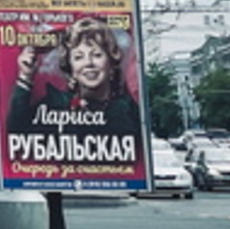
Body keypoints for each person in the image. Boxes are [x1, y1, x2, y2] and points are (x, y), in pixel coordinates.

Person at [10, 16, 142, 138]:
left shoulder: (129, 111)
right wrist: (26, 76)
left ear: (111, 62)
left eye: (97, 55)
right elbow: (18, 131)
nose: (88, 63)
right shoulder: (57, 105)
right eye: (79, 57)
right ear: (70, 67)